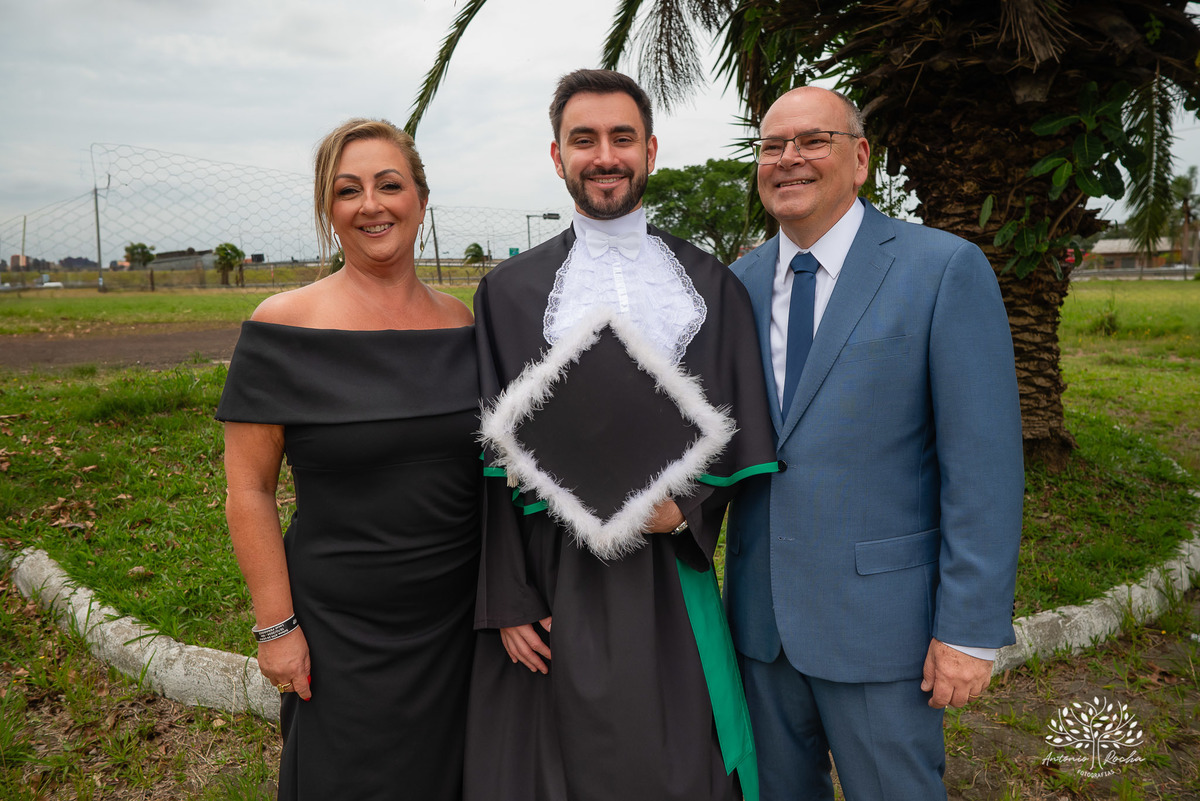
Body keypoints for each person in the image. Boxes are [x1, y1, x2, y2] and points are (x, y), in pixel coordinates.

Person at [464, 69, 778, 801]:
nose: (605, 156)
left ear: (650, 151)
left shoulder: (712, 285)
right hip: (551, 571)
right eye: (585, 140)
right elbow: (491, 461)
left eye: (622, 138)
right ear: (557, 157)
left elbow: (742, 430)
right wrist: (510, 596)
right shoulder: (506, 293)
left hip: (669, 568)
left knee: (680, 756)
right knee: (554, 762)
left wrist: (688, 509)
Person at [725, 86, 1025, 801]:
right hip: (761, 629)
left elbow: (983, 466)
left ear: (860, 158)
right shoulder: (736, 284)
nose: (788, 158)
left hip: (884, 631)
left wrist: (969, 629)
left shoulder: (942, 269)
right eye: (772, 146)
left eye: (813, 141)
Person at [217, 118, 480, 801]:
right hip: (340, 628)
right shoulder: (282, 326)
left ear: (421, 200)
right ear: (328, 210)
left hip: (459, 620)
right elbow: (249, 489)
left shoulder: (463, 325)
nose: (371, 205)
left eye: (389, 185)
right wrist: (277, 628)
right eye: (347, 190)